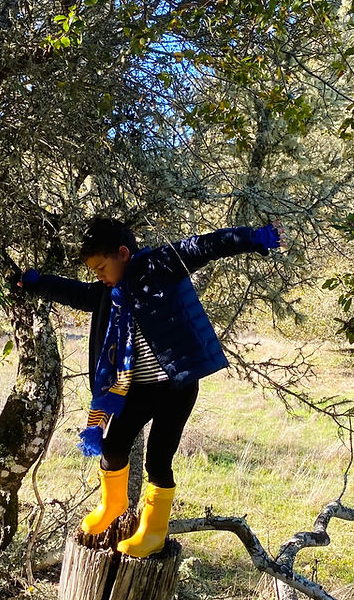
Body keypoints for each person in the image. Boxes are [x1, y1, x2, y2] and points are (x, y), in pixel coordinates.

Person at [18, 217, 286, 557]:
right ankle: (112, 505)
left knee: (159, 459)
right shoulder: (107, 292)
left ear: (124, 253)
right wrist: (38, 283)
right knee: (113, 446)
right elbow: (76, 293)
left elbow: (205, 246)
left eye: (101, 267)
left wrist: (254, 237)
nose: (98, 275)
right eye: (94, 270)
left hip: (176, 387)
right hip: (139, 390)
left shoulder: (159, 264)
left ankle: (154, 531)